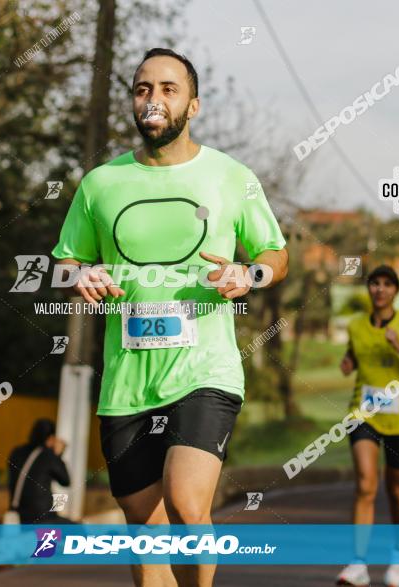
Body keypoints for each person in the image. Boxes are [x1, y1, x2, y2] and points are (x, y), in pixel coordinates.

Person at [52, 47, 288, 587]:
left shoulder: (231, 176)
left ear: (193, 105)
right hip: (128, 381)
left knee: (185, 504)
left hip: (205, 370)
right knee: (145, 528)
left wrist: (248, 276)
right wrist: (79, 275)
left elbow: (275, 253)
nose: (153, 99)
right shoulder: (100, 185)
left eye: (167, 88)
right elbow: (66, 259)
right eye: (142, 89)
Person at [336, 265, 399, 587]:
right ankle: (358, 564)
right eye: (374, 284)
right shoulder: (355, 326)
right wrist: (348, 363)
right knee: (366, 485)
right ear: (369, 289)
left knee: (397, 490)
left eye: (387, 284)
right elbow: (353, 356)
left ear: (396, 290)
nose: (380, 289)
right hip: (363, 414)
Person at [7, 418, 73, 524]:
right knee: (79, 531)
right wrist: (58, 455)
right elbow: (65, 481)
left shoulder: (16, 452)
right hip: (43, 519)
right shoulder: (48, 455)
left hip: (18, 516)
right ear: (51, 438)